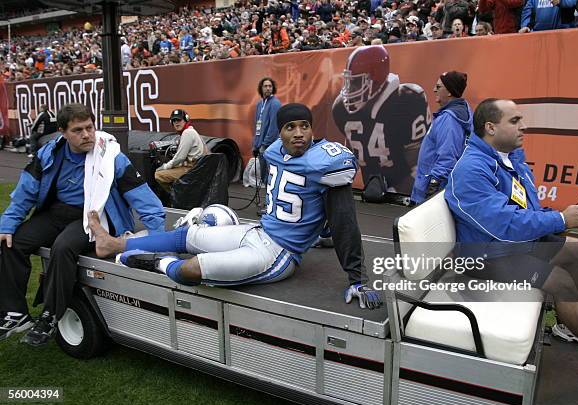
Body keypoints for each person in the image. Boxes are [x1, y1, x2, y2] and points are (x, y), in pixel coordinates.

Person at [88, 103, 382, 310]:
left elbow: (344, 221)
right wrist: (321, 232)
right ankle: (114, 245)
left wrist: (358, 278)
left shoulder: (327, 164)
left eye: (304, 126)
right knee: (186, 237)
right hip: (256, 232)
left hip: (278, 254)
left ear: (312, 129)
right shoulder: (276, 150)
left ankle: (156, 262)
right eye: (290, 127)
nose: (298, 133)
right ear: (279, 132)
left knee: (190, 268)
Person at [445, 98, 578, 380]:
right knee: (560, 281)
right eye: (515, 121)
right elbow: (503, 225)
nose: (524, 127)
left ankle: (567, 326)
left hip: (506, 248)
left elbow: (528, 210)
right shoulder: (471, 170)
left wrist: (556, 220)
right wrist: (560, 220)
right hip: (482, 259)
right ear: (491, 127)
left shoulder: (511, 161)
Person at [0, 103, 165, 346]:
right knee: (11, 242)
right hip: (57, 213)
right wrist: (7, 224)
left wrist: (157, 236)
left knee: (63, 247)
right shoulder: (49, 153)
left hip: (95, 217)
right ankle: (15, 313)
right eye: (78, 130)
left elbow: (142, 196)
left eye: (89, 127)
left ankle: (50, 316)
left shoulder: (111, 156)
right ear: (62, 132)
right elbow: (26, 190)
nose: (87, 134)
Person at [332, 45, 431, 194]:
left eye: (357, 82)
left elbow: (419, 163)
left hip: (404, 194)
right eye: (350, 81)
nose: (351, 89)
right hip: (371, 189)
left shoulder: (407, 100)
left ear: (376, 78)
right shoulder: (340, 108)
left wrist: (397, 191)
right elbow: (353, 151)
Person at [411, 71, 472, 204]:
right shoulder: (461, 112)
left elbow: (448, 156)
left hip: (435, 192)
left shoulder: (449, 119)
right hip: (442, 190)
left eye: (438, 87)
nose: (433, 90)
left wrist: (433, 186)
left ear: (449, 91)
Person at [154, 109, 208, 192]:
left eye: (179, 120)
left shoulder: (187, 133)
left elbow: (180, 158)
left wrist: (165, 166)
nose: (176, 122)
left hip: (192, 169)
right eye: (174, 120)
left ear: (186, 120)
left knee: (159, 175)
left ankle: (175, 197)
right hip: (196, 168)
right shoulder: (191, 131)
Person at [252, 77, 282, 214]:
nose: (268, 88)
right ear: (261, 88)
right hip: (261, 145)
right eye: (265, 86)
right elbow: (258, 126)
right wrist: (255, 145)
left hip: (269, 146)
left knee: (270, 176)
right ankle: (268, 202)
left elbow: (273, 127)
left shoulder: (275, 103)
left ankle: (270, 205)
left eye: (270, 86)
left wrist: (264, 145)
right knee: (264, 176)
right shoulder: (260, 104)